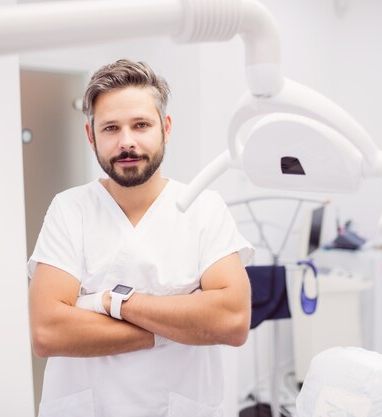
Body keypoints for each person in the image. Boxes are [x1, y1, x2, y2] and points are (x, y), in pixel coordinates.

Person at [28, 58, 254, 417]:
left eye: (141, 125)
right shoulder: (70, 209)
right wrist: (177, 325)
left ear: (165, 127)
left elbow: (232, 321)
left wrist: (107, 302)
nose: (127, 142)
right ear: (91, 136)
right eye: (111, 128)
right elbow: (48, 331)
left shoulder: (204, 208)